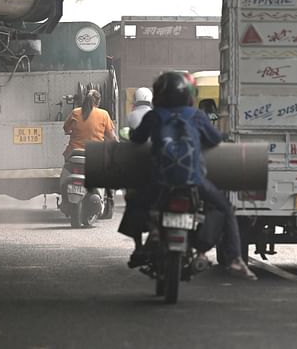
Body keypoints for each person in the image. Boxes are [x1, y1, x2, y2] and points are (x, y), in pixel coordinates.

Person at [122, 71, 256, 280]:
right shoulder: (196, 116)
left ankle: (140, 247)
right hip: (194, 181)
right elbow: (213, 141)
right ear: (188, 95)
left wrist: (134, 134)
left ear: (159, 95)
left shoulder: (153, 116)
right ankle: (235, 259)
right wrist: (220, 136)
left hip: (160, 182)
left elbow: (137, 139)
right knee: (225, 208)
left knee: (134, 200)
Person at [63, 89, 118, 157]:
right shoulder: (104, 114)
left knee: (67, 164)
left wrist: (70, 131)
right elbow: (112, 137)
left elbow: (66, 128)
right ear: (98, 102)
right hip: (96, 153)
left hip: (75, 153)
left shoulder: (75, 112)